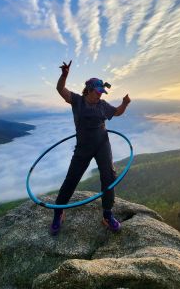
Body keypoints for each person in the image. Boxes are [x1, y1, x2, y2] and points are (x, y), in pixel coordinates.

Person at [50, 60, 131, 235]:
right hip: (83, 147)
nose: (101, 94)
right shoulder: (77, 101)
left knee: (108, 176)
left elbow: (116, 112)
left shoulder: (103, 105)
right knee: (72, 178)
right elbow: (60, 90)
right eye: (98, 91)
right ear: (89, 89)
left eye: (102, 91)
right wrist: (64, 76)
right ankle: (58, 211)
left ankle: (108, 214)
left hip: (103, 144)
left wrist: (125, 104)